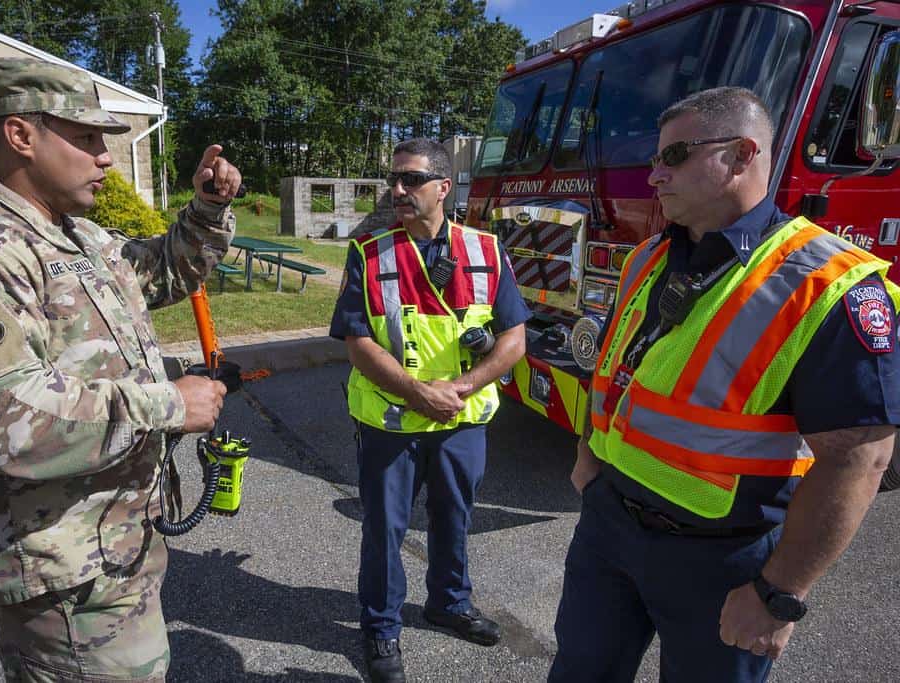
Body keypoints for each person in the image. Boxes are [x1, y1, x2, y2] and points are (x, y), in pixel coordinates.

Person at [0, 57, 241, 681]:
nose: (105, 157)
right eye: (89, 139)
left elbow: (163, 270)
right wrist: (169, 404)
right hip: (60, 571)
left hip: (114, 548)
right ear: (21, 135)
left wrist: (206, 211)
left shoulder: (76, 238)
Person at [548, 86, 900, 682]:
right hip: (609, 527)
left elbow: (859, 459)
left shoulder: (830, 283)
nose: (653, 175)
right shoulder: (647, 258)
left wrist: (779, 593)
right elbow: (614, 372)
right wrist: (588, 453)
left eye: (674, 156)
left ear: (742, 154)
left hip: (725, 560)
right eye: (655, 158)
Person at [330, 138, 531, 683]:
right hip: (391, 422)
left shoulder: (487, 250)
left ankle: (448, 603)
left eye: (411, 180)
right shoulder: (369, 252)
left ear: (444, 187)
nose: (398, 190)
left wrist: (462, 387)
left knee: (454, 518)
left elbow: (514, 337)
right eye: (393, 180)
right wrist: (420, 393)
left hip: (460, 421)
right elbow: (356, 341)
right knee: (385, 529)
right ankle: (380, 628)